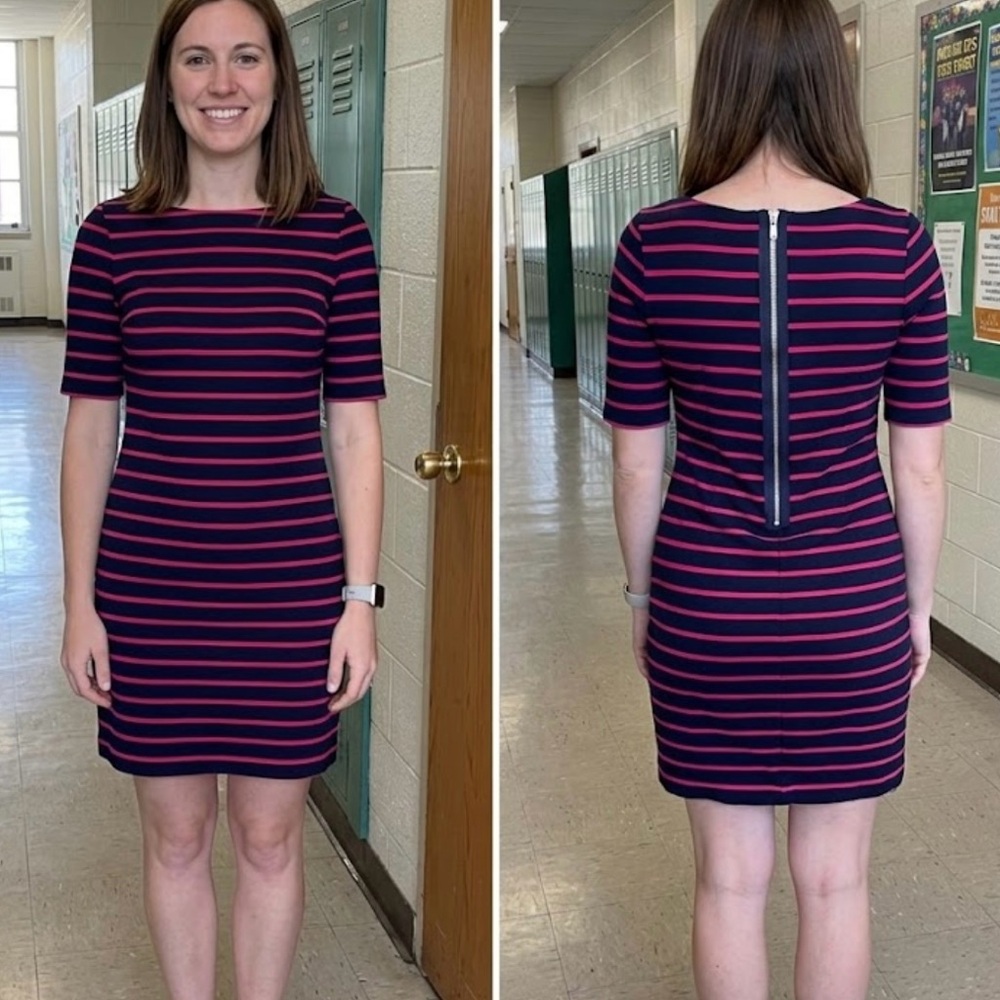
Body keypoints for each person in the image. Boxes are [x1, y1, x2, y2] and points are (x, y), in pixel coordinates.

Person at [604, 1, 949, 998]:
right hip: (853, 601)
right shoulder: (899, 248)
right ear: (831, 86)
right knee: (835, 879)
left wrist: (640, 599)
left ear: (716, 81)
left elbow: (636, 465)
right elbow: (917, 466)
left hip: (704, 600)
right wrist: (914, 609)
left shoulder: (652, 247)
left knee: (726, 879)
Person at [58, 0, 385, 997]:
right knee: (177, 833)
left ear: (278, 79)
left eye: (245, 58)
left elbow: (356, 427)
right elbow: (87, 428)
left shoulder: (332, 235)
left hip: (289, 588)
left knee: (270, 831)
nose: (222, 83)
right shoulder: (113, 239)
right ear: (168, 83)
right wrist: (80, 602)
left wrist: (359, 601)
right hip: (151, 587)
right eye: (197, 60)